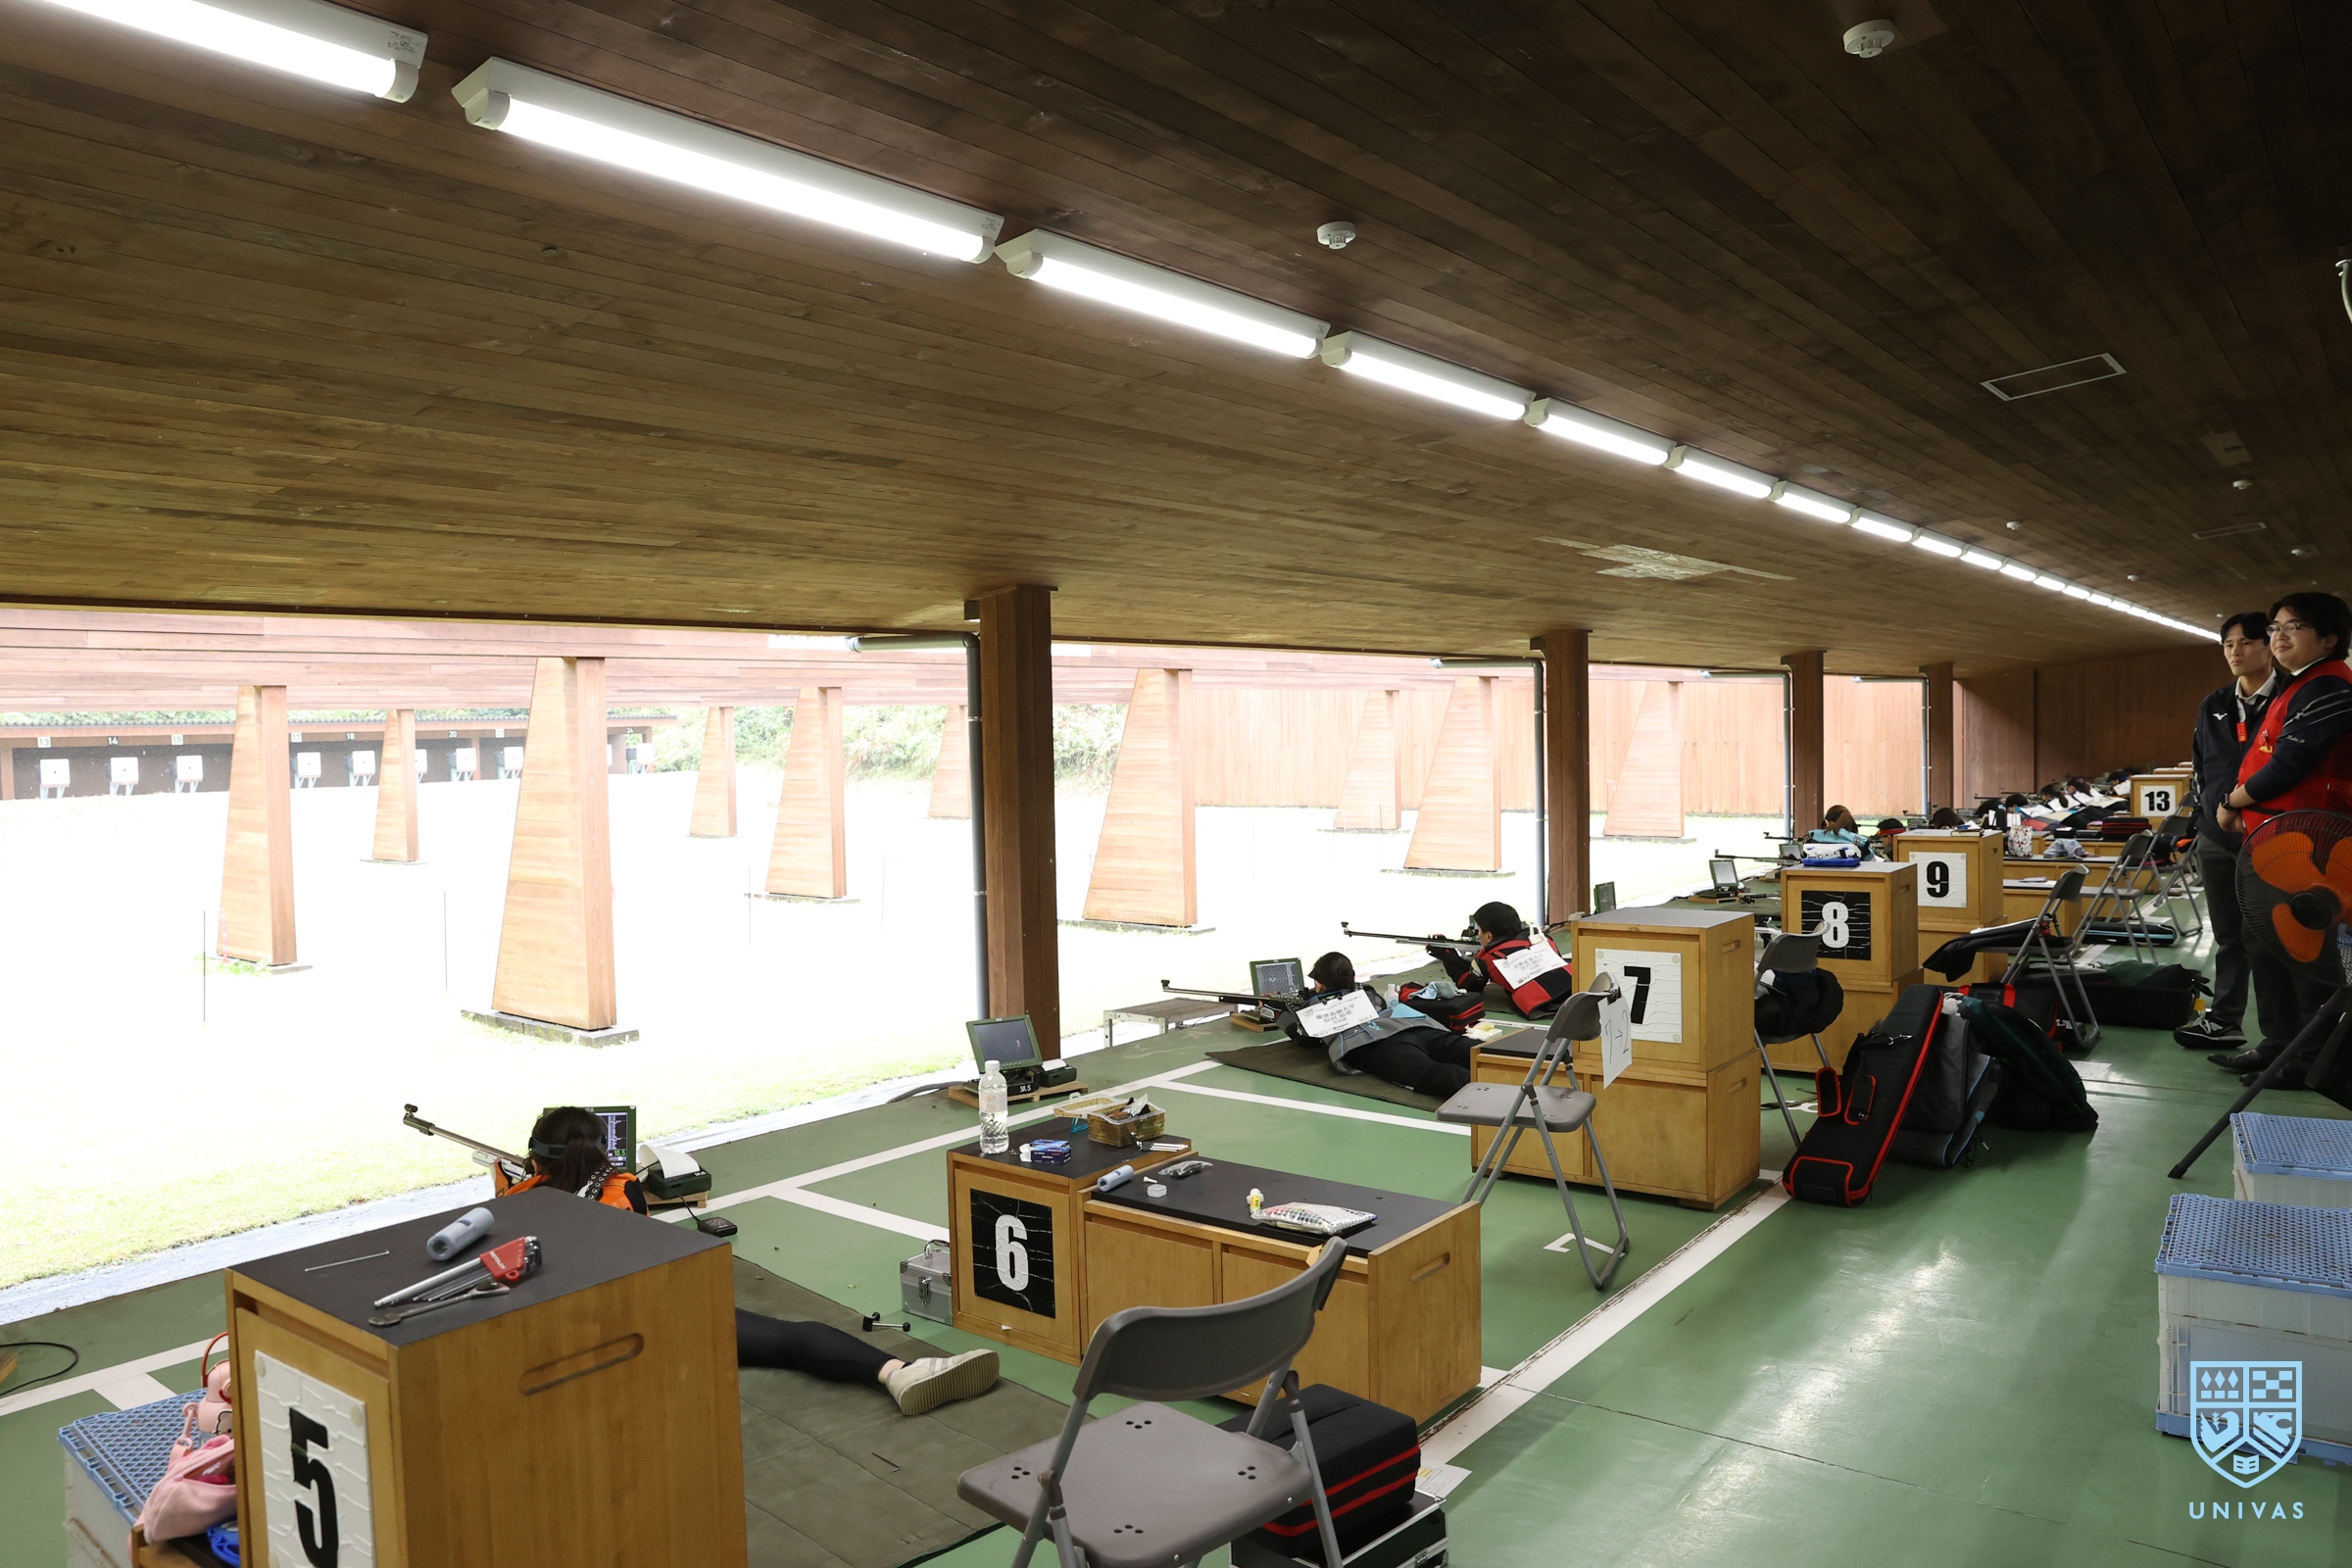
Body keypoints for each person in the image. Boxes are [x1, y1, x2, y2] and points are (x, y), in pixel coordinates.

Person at [503, 1108, 999, 1414]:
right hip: (661, 1320)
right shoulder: (625, 1190)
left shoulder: (514, 1203)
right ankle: (897, 1372)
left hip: (572, 1341)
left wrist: (519, 1179)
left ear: (536, 1158)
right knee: (787, 1337)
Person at [2210, 592, 2352, 1083]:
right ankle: (2278, 1046)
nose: (2279, 637)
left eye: (2293, 627)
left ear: (2329, 638)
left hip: (2307, 844)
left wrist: (2231, 801)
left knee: (2304, 951)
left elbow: (2290, 763)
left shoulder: (2329, 687)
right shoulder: (2300, 684)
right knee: (2265, 942)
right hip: (2274, 841)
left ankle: (2309, 1060)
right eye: (2274, 628)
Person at [2176, 611, 2277, 1054]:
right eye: (2228, 645)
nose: (2235, 652)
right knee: (2228, 936)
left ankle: (2279, 1037)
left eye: (2246, 642)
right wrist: (2209, 814)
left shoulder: (2289, 698)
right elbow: (2203, 764)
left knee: (2266, 937)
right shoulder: (2214, 703)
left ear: (2268, 645)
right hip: (2216, 836)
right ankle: (2224, 1020)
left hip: (2269, 836)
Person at [1283, 953, 1474, 1097]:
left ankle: (1487, 1096)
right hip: (1413, 1026)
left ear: (1319, 983)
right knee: (1474, 1050)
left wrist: (1278, 1014)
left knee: (1430, 1074)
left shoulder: (1313, 1007)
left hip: (1376, 1045)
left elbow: (1304, 1039)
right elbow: (1380, 1005)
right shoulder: (1366, 991)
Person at [1428, 901, 1575, 1017]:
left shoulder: (1486, 959)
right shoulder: (1543, 939)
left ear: (1489, 936)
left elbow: (1468, 986)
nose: (1478, 934)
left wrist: (1448, 956)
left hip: (1543, 1004)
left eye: (1479, 930)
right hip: (1576, 988)